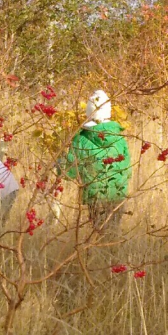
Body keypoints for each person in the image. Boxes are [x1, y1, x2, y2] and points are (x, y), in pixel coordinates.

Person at [60, 90, 131, 234]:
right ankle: (112, 255)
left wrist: (59, 161)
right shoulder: (120, 139)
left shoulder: (81, 139)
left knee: (98, 233)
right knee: (113, 232)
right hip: (118, 195)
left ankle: (100, 256)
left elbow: (70, 172)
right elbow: (128, 170)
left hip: (95, 197)